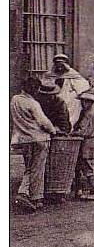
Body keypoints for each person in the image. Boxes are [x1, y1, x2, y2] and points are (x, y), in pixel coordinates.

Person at [11, 78, 57, 211]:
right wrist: (53, 130)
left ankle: (29, 195)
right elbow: (44, 122)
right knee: (38, 169)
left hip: (23, 139)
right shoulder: (33, 103)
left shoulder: (14, 100)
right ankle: (31, 196)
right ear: (34, 89)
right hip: (38, 139)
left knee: (29, 168)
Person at [45, 53, 90, 129]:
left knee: (74, 103)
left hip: (66, 97)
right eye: (57, 66)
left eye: (61, 66)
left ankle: (68, 127)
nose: (59, 69)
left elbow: (83, 86)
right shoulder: (49, 75)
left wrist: (74, 94)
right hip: (51, 97)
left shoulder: (72, 75)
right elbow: (45, 86)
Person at [72, 90, 94, 200]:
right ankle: (81, 190)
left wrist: (74, 133)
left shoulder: (89, 114)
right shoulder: (86, 113)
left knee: (87, 167)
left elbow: (86, 132)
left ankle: (93, 191)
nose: (84, 104)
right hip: (85, 144)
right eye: (83, 101)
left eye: (86, 102)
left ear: (91, 103)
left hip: (88, 144)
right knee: (81, 167)